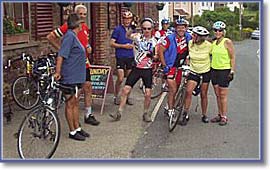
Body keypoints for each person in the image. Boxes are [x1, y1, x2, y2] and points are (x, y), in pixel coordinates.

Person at [47, 4, 100, 126]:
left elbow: (84, 43)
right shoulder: (68, 27)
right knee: (75, 94)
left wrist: (87, 47)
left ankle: (88, 114)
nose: (82, 16)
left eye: (84, 14)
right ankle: (74, 123)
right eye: (80, 14)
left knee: (88, 87)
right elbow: (50, 37)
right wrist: (63, 50)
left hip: (84, 63)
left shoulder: (84, 27)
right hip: (73, 65)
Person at [109, 18, 158, 122]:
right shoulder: (137, 37)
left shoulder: (154, 41)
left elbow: (157, 57)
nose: (146, 31)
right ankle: (119, 112)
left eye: (149, 29)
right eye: (144, 28)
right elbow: (127, 35)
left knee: (148, 93)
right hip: (136, 68)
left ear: (152, 29)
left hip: (147, 69)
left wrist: (153, 56)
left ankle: (145, 113)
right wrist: (132, 27)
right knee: (125, 90)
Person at [54, 13, 89, 141]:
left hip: (76, 76)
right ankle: (72, 131)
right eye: (81, 23)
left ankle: (77, 127)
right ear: (77, 24)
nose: (82, 25)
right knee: (70, 104)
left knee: (75, 103)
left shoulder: (74, 36)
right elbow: (61, 55)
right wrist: (58, 72)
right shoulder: (69, 36)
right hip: (69, 76)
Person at [158, 18, 192, 123]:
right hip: (171, 66)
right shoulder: (169, 38)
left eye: (183, 27)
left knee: (183, 89)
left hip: (183, 67)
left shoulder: (189, 37)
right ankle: (171, 110)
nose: (181, 29)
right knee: (173, 89)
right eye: (179, 27)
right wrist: (164, 66)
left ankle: (172, 105)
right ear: (175, 28)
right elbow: (160, 51)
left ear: (186, 28)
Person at [180, 26, 212, 126]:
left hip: (205, 72)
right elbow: (188, 55)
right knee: (188, 91)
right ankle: (185, 114)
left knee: (203, 94)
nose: (192, 36)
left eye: (194, 35)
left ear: (200, 37)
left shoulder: (209, 46)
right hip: (193, 71)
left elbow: (214, 56)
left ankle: (204, 114)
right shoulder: (190, 43)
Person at [210, 21, 236, 126]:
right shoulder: (213, 42)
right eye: (215, 30)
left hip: (224, 70)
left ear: (223, 32)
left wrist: (232, 71)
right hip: (214, 70)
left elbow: (232, 57)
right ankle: (219, 114)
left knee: (223, 94)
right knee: (217, 94)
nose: (217, 32)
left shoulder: (227, 42)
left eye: (220, 30)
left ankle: (224, 116)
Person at [110, 11, 135, 106]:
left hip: (131, 56)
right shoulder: (118, 29)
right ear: (122, 19)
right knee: (120, 78)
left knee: (130, 79)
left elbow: (136, 41)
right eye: (125, 18)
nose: (127, 20)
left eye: (128, 19)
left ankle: (127, 97)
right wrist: (123, 46)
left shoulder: (133, 30)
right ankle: (116, 96)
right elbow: (111, 43)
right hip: (120, 56)